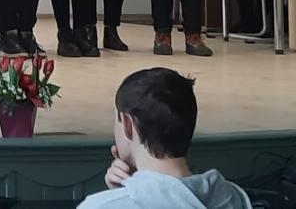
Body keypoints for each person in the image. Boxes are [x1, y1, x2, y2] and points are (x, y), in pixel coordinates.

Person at [79, 67, 252, 209]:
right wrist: (130, 188)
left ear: (127, 125)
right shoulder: (234, 197)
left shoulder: (97, 206)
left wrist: (118, 198)